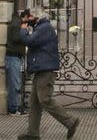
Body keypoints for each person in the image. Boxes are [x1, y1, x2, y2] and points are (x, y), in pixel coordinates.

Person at [17, 7, 80, 140]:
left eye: (30, 17)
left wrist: (23, 28)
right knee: (34, 103)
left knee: (45, 100)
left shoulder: (44, 28)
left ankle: (70, 121)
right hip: (41, 69)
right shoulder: (40, 27)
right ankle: (32, 133)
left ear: (36, 17)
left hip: (46, 70)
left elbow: (28, 41)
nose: (28, 20)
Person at [6, 9, 31, 115]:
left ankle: (15, 106)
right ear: (26, 17)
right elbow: (16, 38)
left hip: (15, 56)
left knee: (16, 82)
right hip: (13, 57)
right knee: (15, 84)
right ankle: (13, 108)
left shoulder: (17, 22)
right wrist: (25, 31)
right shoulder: (17, 24)